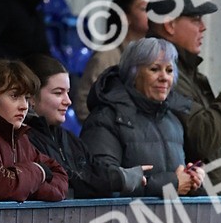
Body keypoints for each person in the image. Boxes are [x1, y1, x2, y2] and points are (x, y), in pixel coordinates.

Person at [145, 0, 221, 193]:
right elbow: (203, 138)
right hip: (191, 209)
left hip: (201, 206)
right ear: (169, 25)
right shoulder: (166, 77)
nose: (203, 27)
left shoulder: (186, 74)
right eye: (196, 19)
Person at [81, 37, 205, 198]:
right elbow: (102, 185)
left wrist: (192, 182)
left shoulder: (173, 120)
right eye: (154, 69)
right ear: (133, 74)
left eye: (169, 70)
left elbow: (178, 183)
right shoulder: (105, 119)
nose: (164, 77)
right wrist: (171, 184)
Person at [24, 53, 149, 198]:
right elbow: (68, 182)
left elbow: (95, 171)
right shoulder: (23, 140)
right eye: (58, 93)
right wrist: (120, 178)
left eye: (68, 92)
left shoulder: (72, 140)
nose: (68, 101)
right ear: (31, 97)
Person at [0, 58, 67, 202]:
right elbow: (3, 188)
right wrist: (39, 171)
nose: (24, 106)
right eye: (14, 96)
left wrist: (24, 188)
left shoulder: (22, 138)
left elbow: (61, 179)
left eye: (26, 98)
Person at [73, 0, 149, 121]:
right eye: (144, 9)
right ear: (126, 17)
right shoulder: (106, 56)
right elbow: (83, 104)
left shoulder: (148, 55)